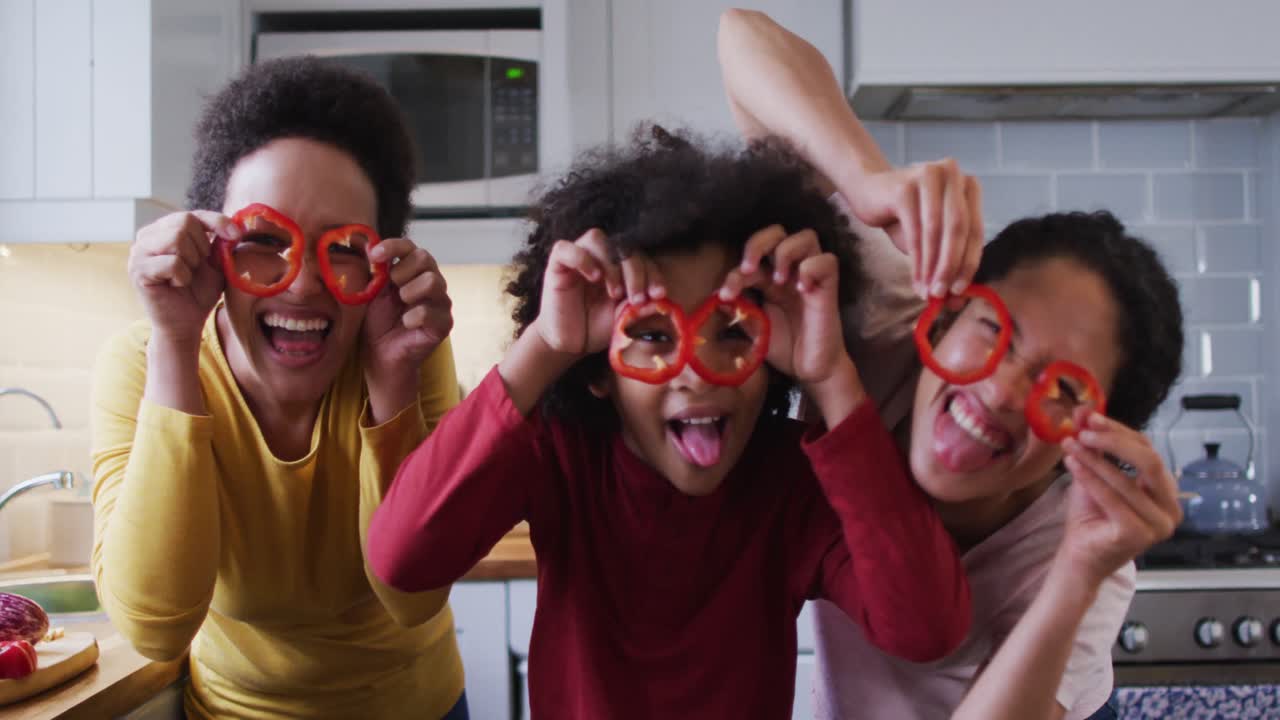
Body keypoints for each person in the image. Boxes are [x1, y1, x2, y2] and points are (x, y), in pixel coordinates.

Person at [366, 126, 972, 719]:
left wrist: (832, 374)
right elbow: (403, 559)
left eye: (732, 331)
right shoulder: (562, 457)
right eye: (652, 335)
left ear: (771, 356)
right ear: (597, 369)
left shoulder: (794, 483)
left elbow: (925, 629)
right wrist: (546, 347)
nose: (697, 370)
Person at [718, 10, 1184, 720]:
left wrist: (1078, 573)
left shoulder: (1079, 546)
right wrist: (866, 180)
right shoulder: (885, 325)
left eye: (1062, 387)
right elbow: (742, 37)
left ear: (1090, 436)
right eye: (995, 327)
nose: (998, 388)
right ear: (947, 312)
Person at [90, 57, 468, 719]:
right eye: (263, 238)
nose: (300, 284)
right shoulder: (144, 364)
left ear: (384, 262)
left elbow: (415, 596)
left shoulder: (408, 354)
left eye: (344, 249)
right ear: (212, 246)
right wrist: (176, 344)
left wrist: (393, 387)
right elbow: (156, 627)